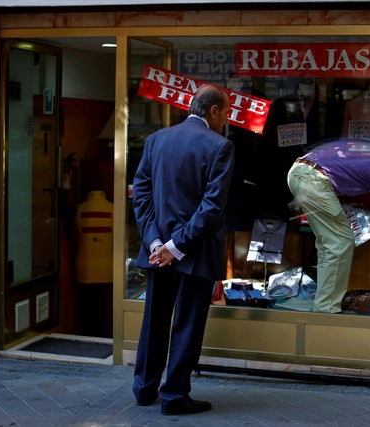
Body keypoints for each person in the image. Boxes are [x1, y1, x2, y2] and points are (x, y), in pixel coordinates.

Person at [131, 84, 234, 415]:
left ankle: (144, 389)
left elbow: (141, 194)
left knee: (154, 322)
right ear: (214, 111)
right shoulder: (220, 146)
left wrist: (157, 242)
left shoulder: (156, 140)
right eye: (226, 112)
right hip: (195, 252)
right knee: (187, 324)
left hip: (158, 250)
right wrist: (176, 246)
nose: (227, 119)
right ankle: (175, 395)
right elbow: (212, 207)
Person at [286, 138, 370, 313]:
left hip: (301, 171)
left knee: (328, 243)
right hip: (313, 177)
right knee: (340, 241)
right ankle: (326, 310)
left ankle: (323, 304)